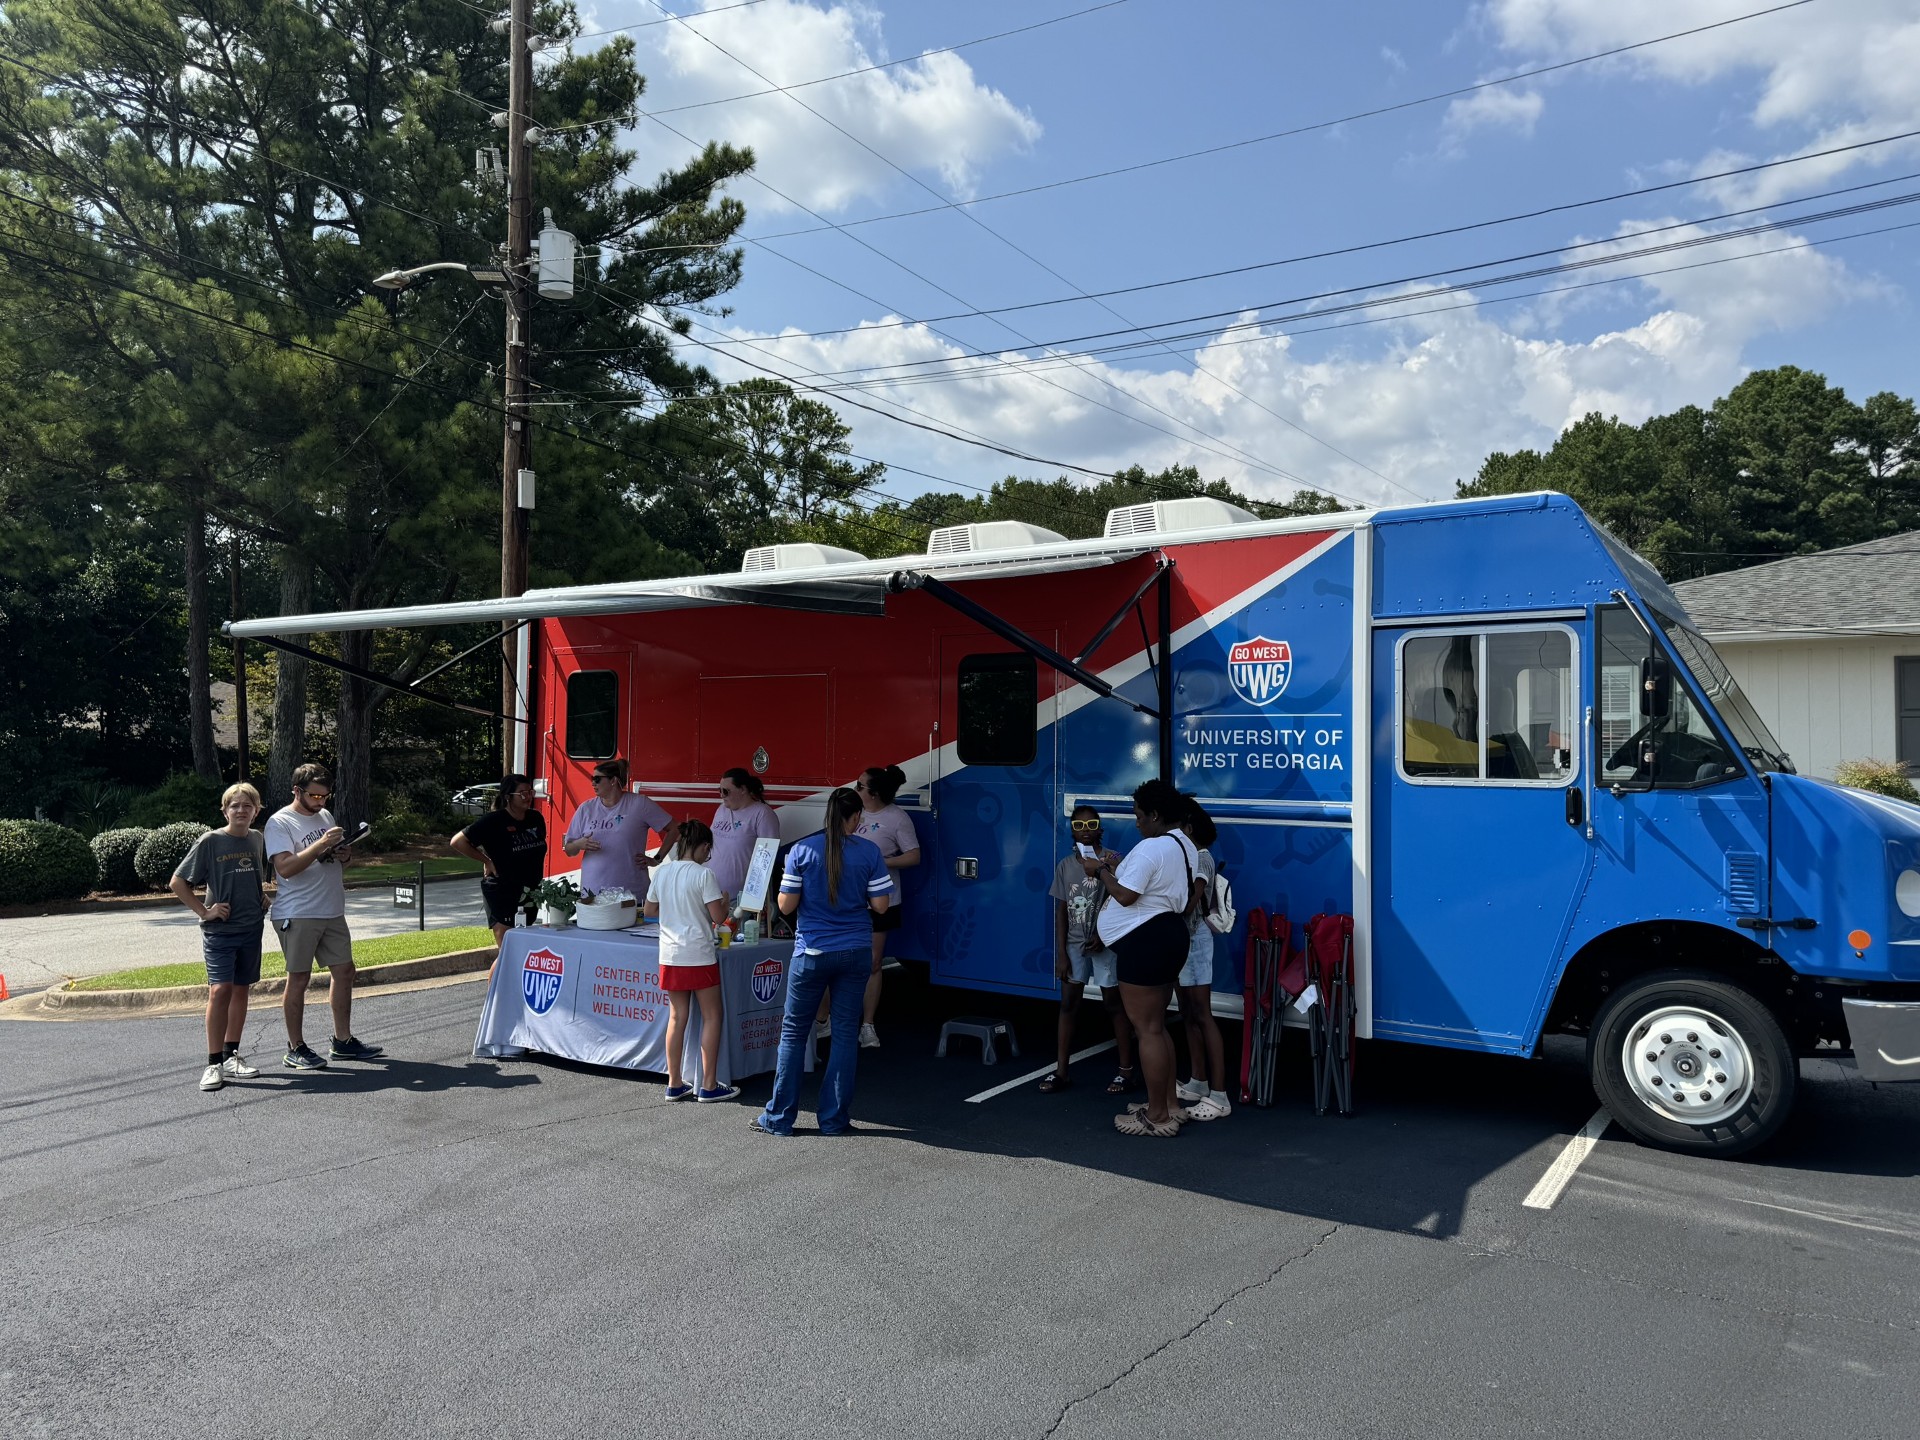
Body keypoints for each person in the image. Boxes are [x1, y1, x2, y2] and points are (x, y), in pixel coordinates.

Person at [751, 787, 891, 1137]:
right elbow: (882, 906)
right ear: (856, 817)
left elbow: (785, 906)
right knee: (845, 1034)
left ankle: (780, 1119)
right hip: (856, 950)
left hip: (812, 952)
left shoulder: (801, 851)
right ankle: (834, 1120)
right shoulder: (870, 852)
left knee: (794, 1034)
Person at [1084, 778, 1202, 1137]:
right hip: (1168, 937)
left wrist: (1099, 870)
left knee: (1146, 1029)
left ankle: (1157, 1117)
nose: (1135, 822)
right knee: (1158, 1025)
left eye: (1138, 816)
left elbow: (1125, 896)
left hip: (1144, 942)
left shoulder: (1152, 848)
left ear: (1154, 815)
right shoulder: (1184, 844)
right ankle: (1168, 1104)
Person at [266, 764, 381, 1070]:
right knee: (299, 978)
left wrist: (344, 854)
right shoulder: (280, 822)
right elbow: (286, 869)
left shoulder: (325, 817)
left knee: (345, 971)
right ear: (297, 791)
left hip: (331, 909)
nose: (320, 802)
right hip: (298, 911)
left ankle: (342, 1041)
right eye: (314, 795)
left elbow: (333, 863)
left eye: (325, 796)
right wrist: (321, 845)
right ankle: (295, 1047)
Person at [170, 783, 270, 1093]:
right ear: (225, 810)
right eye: (235, 805)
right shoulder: (210, 841)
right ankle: (213, 1063)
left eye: (247, 805)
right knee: (220, 991)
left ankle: (231, 1056)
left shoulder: (257, 839)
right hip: (221, 932)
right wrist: (205, 911)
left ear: (256, 810)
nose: (241, 810)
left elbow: (253, 876)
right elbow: (178, 882)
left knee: (241, 991)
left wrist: (262, 898)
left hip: (252, 927)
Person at [1038, 805, 1137, 1095]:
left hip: (1106, 944)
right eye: (1078, 825)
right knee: (1068, 1004)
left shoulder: (1114, 860)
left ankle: (1126, 1071)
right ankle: (1061, 1071)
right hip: (1074, 947)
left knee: (1114, 1005)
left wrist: (1106, 936)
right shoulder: (1066, 865)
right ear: (1071, 830)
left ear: (1100, 827)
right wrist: (1060, 954)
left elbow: (1123, 900)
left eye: (1091, 824)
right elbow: (1061, 912)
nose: (1085, 830)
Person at [644, 819, 737, 1104]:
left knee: (676, 1016)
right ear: (705, 846)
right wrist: (724, 899)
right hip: (698, 953)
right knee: (712, 1015)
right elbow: (718, 917)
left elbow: (649, 910)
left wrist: (675, 913)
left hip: (670, 953)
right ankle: (708, 1084)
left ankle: (674, 1083)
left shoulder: (662, 873)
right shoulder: (704, 875)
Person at [851, 764, 919, 1049]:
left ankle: (867, 1025)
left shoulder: (897, 818)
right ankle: (829, 1020)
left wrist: (880, 862)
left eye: (860, 786)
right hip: (849, 897)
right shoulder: (853, 813)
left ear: (875, 794)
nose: (856, 790)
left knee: (874, 963)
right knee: (841, 958)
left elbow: (914, 856)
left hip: (881, 899)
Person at [1175, 799, 1231, 1121]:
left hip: (1196, 942)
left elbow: (1189, 904)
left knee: (1202, 1014)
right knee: (1187, 1013)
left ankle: (1220, 1096)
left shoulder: (1202, 859)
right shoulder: (1190, 856)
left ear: (1189, 828)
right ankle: (1198, 1082)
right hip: (1184, 942)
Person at [562, 757, 678, 909]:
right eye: (592, 779)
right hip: (592, 895)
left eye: (597, 779)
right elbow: (569, 849)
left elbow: (675, 828)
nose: (592, 783)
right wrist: (579, 844)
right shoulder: (586, 808)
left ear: (613, 781)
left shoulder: (639, 804)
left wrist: (656, 859)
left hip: (631, 894)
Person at [451, 774, 549, 951]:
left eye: (530, 792)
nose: (528, 797)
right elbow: (457, 842)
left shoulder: (536, 818)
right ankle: (497, 979)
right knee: (508, 950)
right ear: (507, 797)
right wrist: (487, 861)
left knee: (524, 948)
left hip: (530, 891)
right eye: (522, 793)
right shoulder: (493, 821)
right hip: (502, 890)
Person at [709, 767, 780, 905]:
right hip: (711, 895)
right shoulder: (721, 809)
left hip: (739, 901)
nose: (721, 795)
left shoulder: (762, 814)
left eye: (726, 791)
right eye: (720, 790)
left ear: (742, 789)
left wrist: (751, 901)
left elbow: (766, 860)